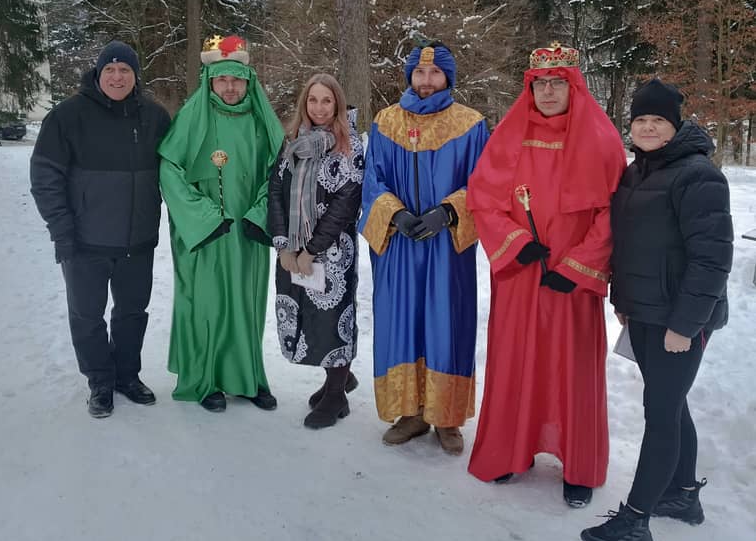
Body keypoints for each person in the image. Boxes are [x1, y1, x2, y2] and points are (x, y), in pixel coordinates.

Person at [467, 43, 627, 505]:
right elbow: (483, 199)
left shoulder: (601, 140)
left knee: (572, 369)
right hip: (521, 274)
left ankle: (578, 465)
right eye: (541, 84)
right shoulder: (509, 136)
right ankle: (509, 452)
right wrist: (517, 243)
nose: (549, 92)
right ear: (530, 89)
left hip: (573, 281)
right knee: (516, 361)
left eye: (558, 83)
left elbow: (614, 212)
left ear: (574, 87)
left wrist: (578, 265)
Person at [581, 79, 732, 541]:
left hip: (679, 319)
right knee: (671, 402)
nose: (648, 127)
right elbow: (630, 245)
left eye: (658, 120)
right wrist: (623, 300)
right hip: (645, 311)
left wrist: (685, 325)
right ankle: (682, 495)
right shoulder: (636, 172)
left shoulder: (698, 176)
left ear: (675, 125)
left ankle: (636, 520)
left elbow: (712, 260)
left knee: (661, 412)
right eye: (640, 120)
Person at [360, 41, 489, 454]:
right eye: (419, 72)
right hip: (399, 245)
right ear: (409, 76)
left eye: (434, 73)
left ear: (448, 77)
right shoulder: (385, 122)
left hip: (445, 248)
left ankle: (447, 417)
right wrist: (394, 214)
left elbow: (483, 182)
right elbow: (372, 179)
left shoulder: (470, 125)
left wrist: (448, 212)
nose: (426, 80)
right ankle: (411, 412)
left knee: (445, 322)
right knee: (402, 322)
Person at [30, 41, 171, 418]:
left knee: (132, 312)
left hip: (137, 241)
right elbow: (45, 179)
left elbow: (178, 169)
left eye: (125, 70)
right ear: (98, 73)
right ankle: (100, 381)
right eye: (110, 69)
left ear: (136, 75)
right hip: (84, 243)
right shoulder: (66, 117)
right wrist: (62, 232)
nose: (117, 76)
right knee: (86, 316)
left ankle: (126, 376)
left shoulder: (155, 117)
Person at [158, 34, 284, 413]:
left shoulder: (261, 121)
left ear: (248, 81)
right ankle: (205, 380)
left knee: (246, 304)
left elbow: (279, 172)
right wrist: (204, 218)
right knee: (207, 305)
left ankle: (246, 378)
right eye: (222, 80)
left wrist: (260, 214)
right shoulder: (193, 116)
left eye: (237, 80)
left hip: (246, 232)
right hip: (209, 234)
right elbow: (169, 169)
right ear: (209, 81)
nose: (230, 88)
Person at [268, 73, 365, 428]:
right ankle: (338, 379)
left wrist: (312, 250)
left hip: (332, 251)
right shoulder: (292, 140)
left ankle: (337, 394)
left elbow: (345, 204)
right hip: (293, 249)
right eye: (313, 100)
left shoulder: (349, 145)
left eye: (327, 100)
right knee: (306, 317)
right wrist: (283, 245)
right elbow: (275, 192)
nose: (319, 108)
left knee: (332, 319)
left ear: (337, 104)